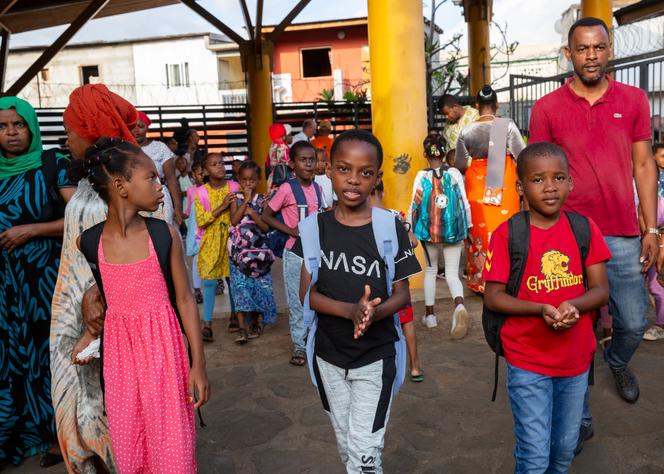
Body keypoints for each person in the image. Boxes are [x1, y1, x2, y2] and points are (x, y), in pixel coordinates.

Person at [529, 19, 658, 452]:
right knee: (573, 330)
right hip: (567, 235)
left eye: (598, 47)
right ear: (569, 54)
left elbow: (644, 165)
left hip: (621, 232)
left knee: (635, 320)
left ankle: (617, 361)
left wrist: (651, 227)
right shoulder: (546, 108)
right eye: (582, 49)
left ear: (609, 51)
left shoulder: (634, 100)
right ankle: (579, 419)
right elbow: (537, 173)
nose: (590, 56)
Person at [71, 137, 209, 473]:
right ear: (120, 186)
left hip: (165, 356)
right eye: (151, 178)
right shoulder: (89, 243)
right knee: (131, 448)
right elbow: (103, 295)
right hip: (120, 363)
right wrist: (90, 331)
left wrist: (198, 364)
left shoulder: (163, 235)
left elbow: (185, 300)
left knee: (174, 450)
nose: (161, 185)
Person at [295, 130, 421, 473]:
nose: (353, 180)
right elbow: (309, 296)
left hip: (375, 359)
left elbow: (403, 294)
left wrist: (373, 312)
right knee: (349, 446)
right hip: (328, 357)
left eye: (365, 173)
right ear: (328, 170)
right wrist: (350, 311)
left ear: (377, 177)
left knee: (365, 454)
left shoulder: (390, 227)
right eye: (343, 169)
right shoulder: (313, 229)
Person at [483, 142, 610, 474]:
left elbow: (600, 290)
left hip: (575, 359)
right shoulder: (508, 234)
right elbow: (494, 297)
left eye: (558, 177)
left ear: (571, 182)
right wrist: (540, 308)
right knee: (534, 454)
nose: (550, 186)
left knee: (565, 449)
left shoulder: (584, 229)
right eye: (538, 179)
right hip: (527, 360)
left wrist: (572, 305)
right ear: (521, 188)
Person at [50, 83, 139, 473]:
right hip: (74, 317)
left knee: (108, 408)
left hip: (103, 316)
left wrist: (96, 295)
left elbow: (139, 249)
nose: (67, 139)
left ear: (91, 130)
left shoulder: (128, 185)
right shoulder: (91, 183)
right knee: (87, 405)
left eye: (71, 131)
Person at [0, 97, 75, 468]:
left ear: (31, 127)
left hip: (44, 280)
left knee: (50, 355)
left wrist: (33, 230)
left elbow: (80, 219)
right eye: (3, 126)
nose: (12, 133)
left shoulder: (53, 164)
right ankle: (15, 435)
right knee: (9, 359)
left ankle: (58, 435)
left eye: (18, 125)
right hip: (3, 285)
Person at [457, 85, 525, 293]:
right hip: (503, 182)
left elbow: (460, 163)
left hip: (476, 185)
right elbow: (521, 156)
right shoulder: (508, 126)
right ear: (496, 105)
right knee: (505, 230)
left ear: (477, 106)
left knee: (479, 230)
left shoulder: (467, 130)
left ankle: (481, 281)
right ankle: (507, 280)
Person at [263, 141, 326, 366]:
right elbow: (266, 214)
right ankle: (300, 344)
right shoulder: (287, 189)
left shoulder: (318, 188)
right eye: (303, 160)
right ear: (292, 164)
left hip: (316, 252)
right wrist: (289, 230)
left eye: (312, 160)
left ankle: (315, 339)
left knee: (316, 295)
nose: (309, 164)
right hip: (295, 252)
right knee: (297, 299)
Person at [410, 134, 472, 336]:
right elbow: (464, 201)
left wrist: (411, 228)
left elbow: (415, 204)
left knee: (430, 269)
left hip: (429, 232)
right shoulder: (454, 173)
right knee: (452, 274)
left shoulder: (421, 176)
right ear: (445, 152)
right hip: (453, 231)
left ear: (424, 154)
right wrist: (468, 227)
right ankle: (460, 307)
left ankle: (430, 317)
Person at [369, 181, 423, 382]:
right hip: (400, 279)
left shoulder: (365, 219)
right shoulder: (395, 216)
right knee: (407, 321)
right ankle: (415, 366)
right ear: (382, 192)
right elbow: (414, 242)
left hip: (378, 282)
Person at [229, 161, 277, 344]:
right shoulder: (235, 198)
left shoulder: (264, 200)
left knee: (258, 287)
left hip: (259, 253)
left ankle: (256, 321)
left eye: (252, 180)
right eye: (245, 180)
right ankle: (242, 328)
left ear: (258, 180)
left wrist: (254, 213)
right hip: (238, 253)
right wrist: (246, 202)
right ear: (239, 180)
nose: (248, 183)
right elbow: (234, 220)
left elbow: (265, 226)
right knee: (240, 288)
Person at [194, 152, 238, 342]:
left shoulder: (234, 187)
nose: (220, 166)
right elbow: (202, 221)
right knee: (210, 283)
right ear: (205, 170)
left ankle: (235, 316)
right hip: (210, 242)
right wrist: (222, 206)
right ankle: (207, 323)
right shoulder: (201, 192)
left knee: (232, 280)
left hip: (231, 240)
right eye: (214, 164)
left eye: (221, 163)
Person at [132, 111, 183, 224]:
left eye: (141, 126)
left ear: (147, 128)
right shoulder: (124, 149)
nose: (136, 130)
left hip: (159, 198)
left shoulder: (160, 148)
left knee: (162, 233)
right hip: (134, 199)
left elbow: (172, 180)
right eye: (133, 126)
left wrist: (178, 208)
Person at [642, 142, 664, 341]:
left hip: (660, 240)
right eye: (662, 156)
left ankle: (660, 324)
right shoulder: (648, 181)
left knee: (658, 285)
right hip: (648, 239)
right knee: (653, 284)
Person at [185, 161, 205, 304]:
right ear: (193, 175)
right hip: (196, 227)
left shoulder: (211, 190)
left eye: (204, 174)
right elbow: (190, 209)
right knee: (197, 261)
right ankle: (197, 289)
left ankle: (218, 282)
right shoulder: (191, 190)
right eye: (199, 174)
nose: (202, 176)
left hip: (208, 227)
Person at [267, 123, 290, 190]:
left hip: (273, 178)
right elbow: (288, 162)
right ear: (283, 134)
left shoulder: (273, 145)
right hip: (283, 178)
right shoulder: (282, 146)